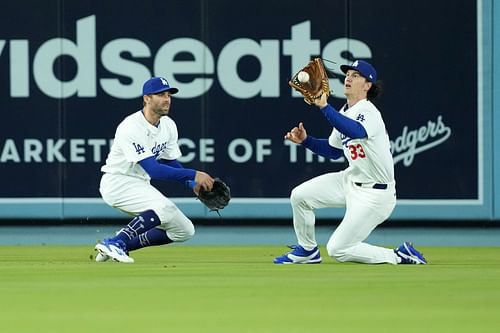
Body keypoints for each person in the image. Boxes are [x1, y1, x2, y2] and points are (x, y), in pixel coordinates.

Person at [274, 60, 427, 265]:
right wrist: (306, 141)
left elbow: (357, 131)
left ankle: (398, 255)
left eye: (356, 76)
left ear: (367, 85)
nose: (348, 78)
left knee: (338, 249)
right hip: (350, 180)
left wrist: (325, 108)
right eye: (348, 74)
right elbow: (333, 151)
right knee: (300, 196)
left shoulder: (368, 111)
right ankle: (308, 250)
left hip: (375, 194)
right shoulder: (345, 112)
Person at [94, 76, 214, 263]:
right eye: (160, 94)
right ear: (147, 98)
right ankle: (115, 242)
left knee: (184, 230)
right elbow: (155, 170)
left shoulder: (169, 125)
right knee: (164, 208)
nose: (167, 99)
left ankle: (122, 243)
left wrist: (191, 184)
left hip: (139, 183)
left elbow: (170, 161)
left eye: (168, 95)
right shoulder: (131, 127)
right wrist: (194, 174)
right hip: (118, 182)